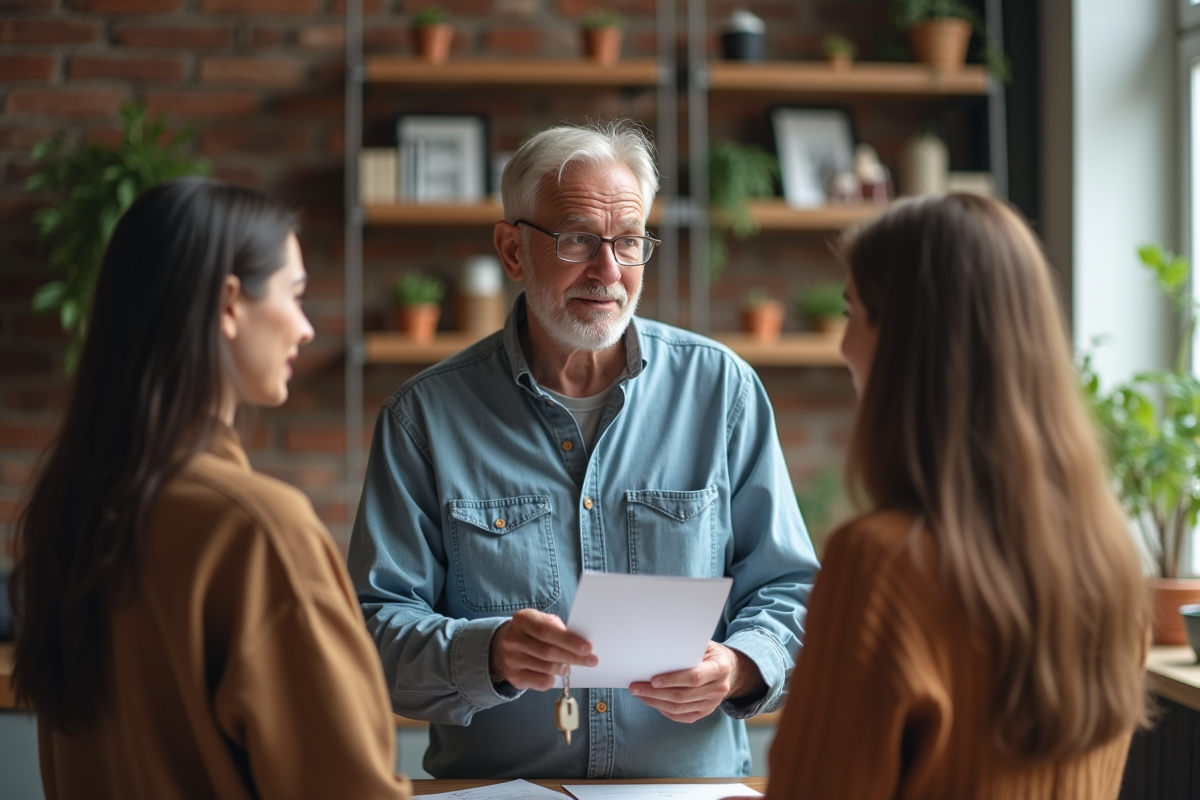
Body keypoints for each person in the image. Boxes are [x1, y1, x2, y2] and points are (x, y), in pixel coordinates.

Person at [349, 119, 819, 778]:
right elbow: (370, 633)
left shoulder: (722, 391)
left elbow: (791, 589)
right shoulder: (423, 418)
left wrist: (741, 665)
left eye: (629, 242)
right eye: (578, 240)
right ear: (513, 251)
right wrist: (486, 654)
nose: (608, 271)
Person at [8, 178, 412, 800]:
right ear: (229, 303)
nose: (306, 328)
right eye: (294, 295)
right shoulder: (257, 529)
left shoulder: (69, 513)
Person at [763, 194, 1149, 798]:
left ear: (906, 341)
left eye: (853, 312)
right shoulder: (1111, 564)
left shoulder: (881, 567)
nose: (842, 347)